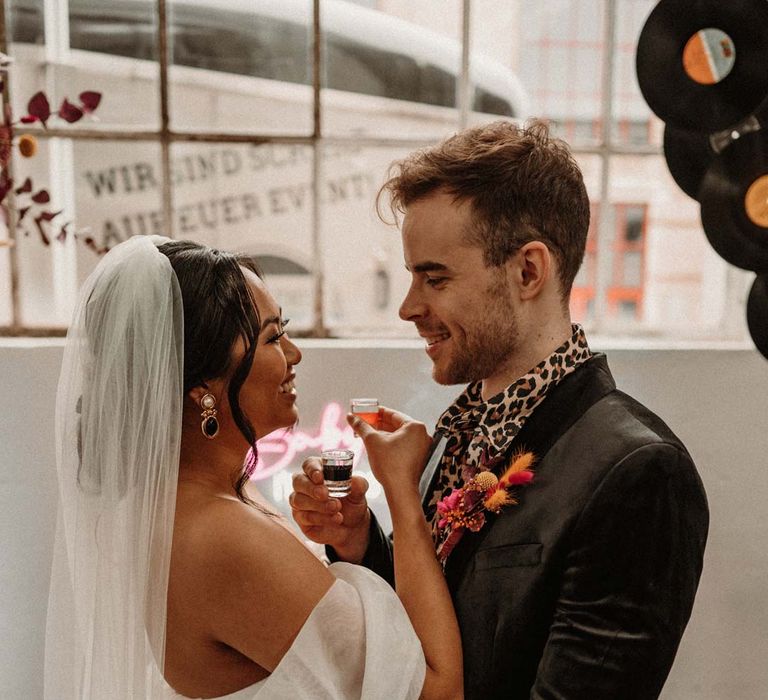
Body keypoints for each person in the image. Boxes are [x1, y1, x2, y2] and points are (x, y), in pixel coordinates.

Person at [290, 120, 710, 699]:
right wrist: (363, 542)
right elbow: (433, 628)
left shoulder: (638, 471)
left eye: (434, 279)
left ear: (527, 272)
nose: (409, 307)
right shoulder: (458, 434)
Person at [44, 235, 463, 699]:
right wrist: (403, 492)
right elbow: (437, 694)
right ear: (204, 387)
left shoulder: (193, 501)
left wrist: (353, 538)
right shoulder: (222, 536)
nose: (294, 354)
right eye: (272, 337)